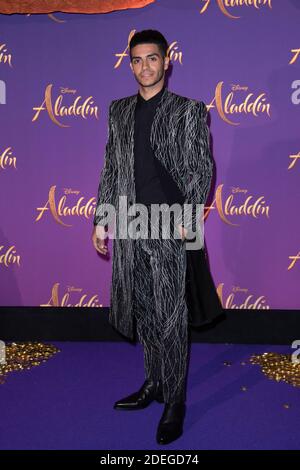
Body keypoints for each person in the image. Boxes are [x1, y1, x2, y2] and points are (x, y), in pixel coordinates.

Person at [91, 29, 213, 445]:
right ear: (129, 64)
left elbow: (201, 168)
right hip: (128, 223)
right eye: (137, 59)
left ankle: (175, 400)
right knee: (143, 310)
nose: (145, 66)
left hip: (167, 224)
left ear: (167, 62)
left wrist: (188, 215)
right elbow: (111, 167)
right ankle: (155, 384)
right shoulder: (119, 111)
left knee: (170, 315)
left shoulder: (188, 110)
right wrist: (101, 218)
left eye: (152, 58)